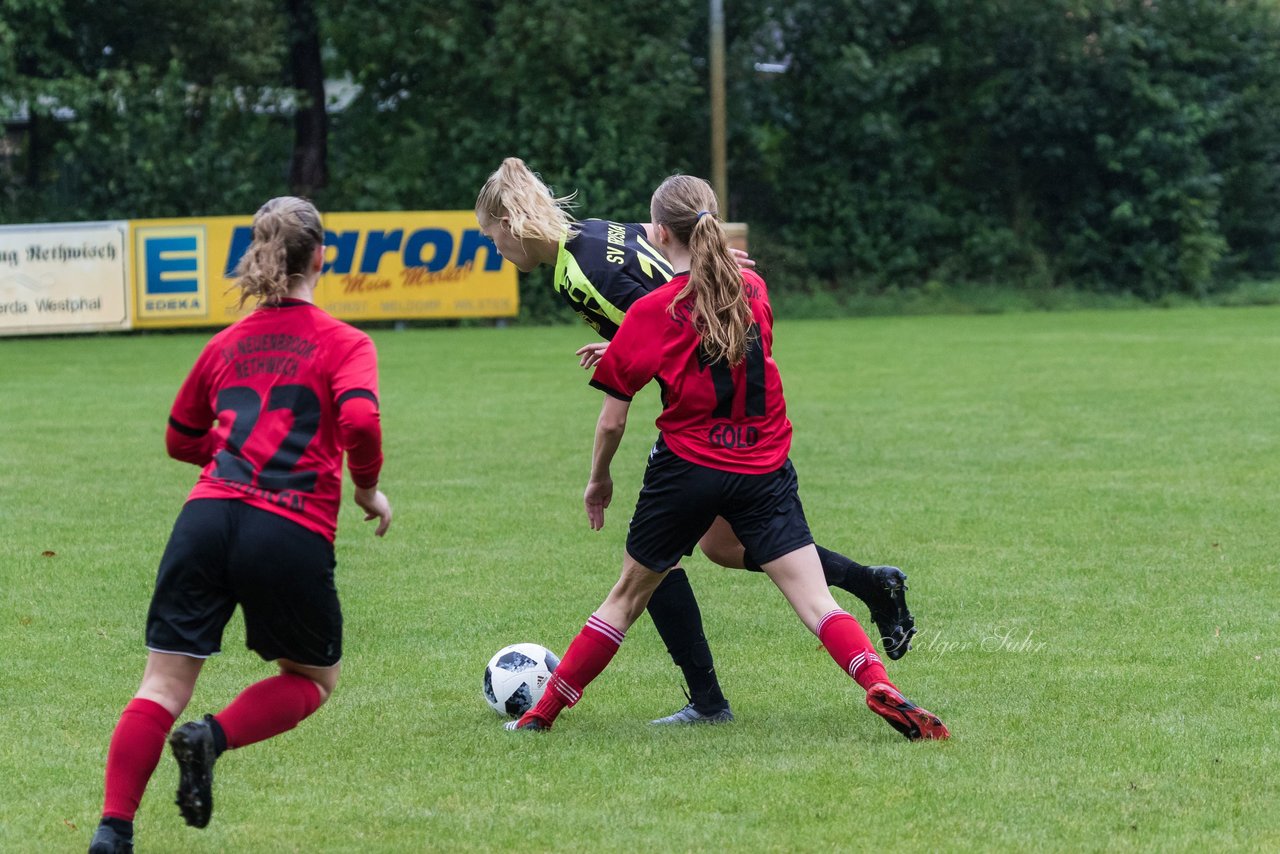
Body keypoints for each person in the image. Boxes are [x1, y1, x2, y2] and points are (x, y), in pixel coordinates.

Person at [504, 174, 947, 739]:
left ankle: (541, 715)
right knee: (815, 603)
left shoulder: (651, 312)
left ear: (659, 233)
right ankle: (879, 683)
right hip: (763, 464)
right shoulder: (753, 289)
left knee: (626, 596)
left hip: (686, 467)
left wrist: (598, 481)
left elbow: (614, 418)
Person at [87, 197, 393, 854]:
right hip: (286, 525)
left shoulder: (225, 343)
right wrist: (366, 489)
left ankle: (113, 829)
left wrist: (232, 457)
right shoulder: (346, 343)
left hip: (205, 516)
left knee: (162, 683)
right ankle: (212, 737)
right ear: (319, 257)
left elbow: (179, 437)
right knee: (311, 679)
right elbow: (362, 421)